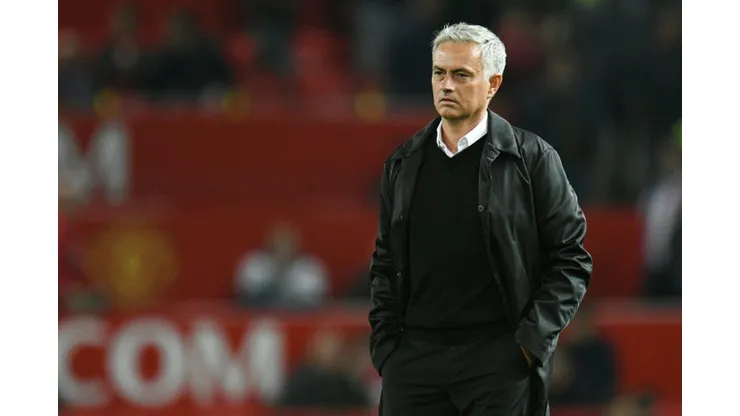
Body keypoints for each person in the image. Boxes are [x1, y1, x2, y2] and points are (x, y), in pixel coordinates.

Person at [368, 22, 592, 416]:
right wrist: (387, 348)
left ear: (493, 84)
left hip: (499, 362)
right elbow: (385, 261)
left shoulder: (534, 160)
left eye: (461, 75)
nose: (446, 85)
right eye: (439, 73)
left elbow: (571, 259)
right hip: (414, 365)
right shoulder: (402, 163)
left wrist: (530, 343)